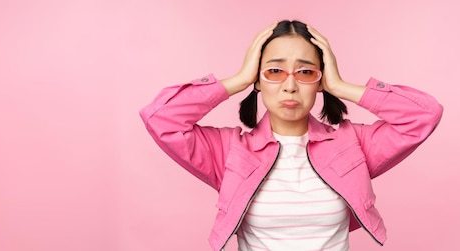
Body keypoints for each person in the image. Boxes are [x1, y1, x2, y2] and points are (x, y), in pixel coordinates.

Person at [139, 20, 443, 251]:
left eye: (306, 72)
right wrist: (240, 79)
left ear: (319, 80)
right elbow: (160, 117)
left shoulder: (353, 147)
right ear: (259, 79)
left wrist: (339, 86)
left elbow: (424, 115)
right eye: (274, 71)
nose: (290, 86)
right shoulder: (230, 152)